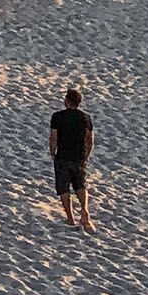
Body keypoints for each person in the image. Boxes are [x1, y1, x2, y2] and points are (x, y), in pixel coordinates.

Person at [49, 87, 96, 231]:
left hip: (63, 156)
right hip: (79, 156)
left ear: (66, 102)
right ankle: (85, 210)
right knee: (80, 185)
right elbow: (90, 140)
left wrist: (53, 153)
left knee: (63, 188)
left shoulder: (57, 117)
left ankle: (70, 218)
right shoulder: (85, 118)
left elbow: (53, 137)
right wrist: (86, 155)